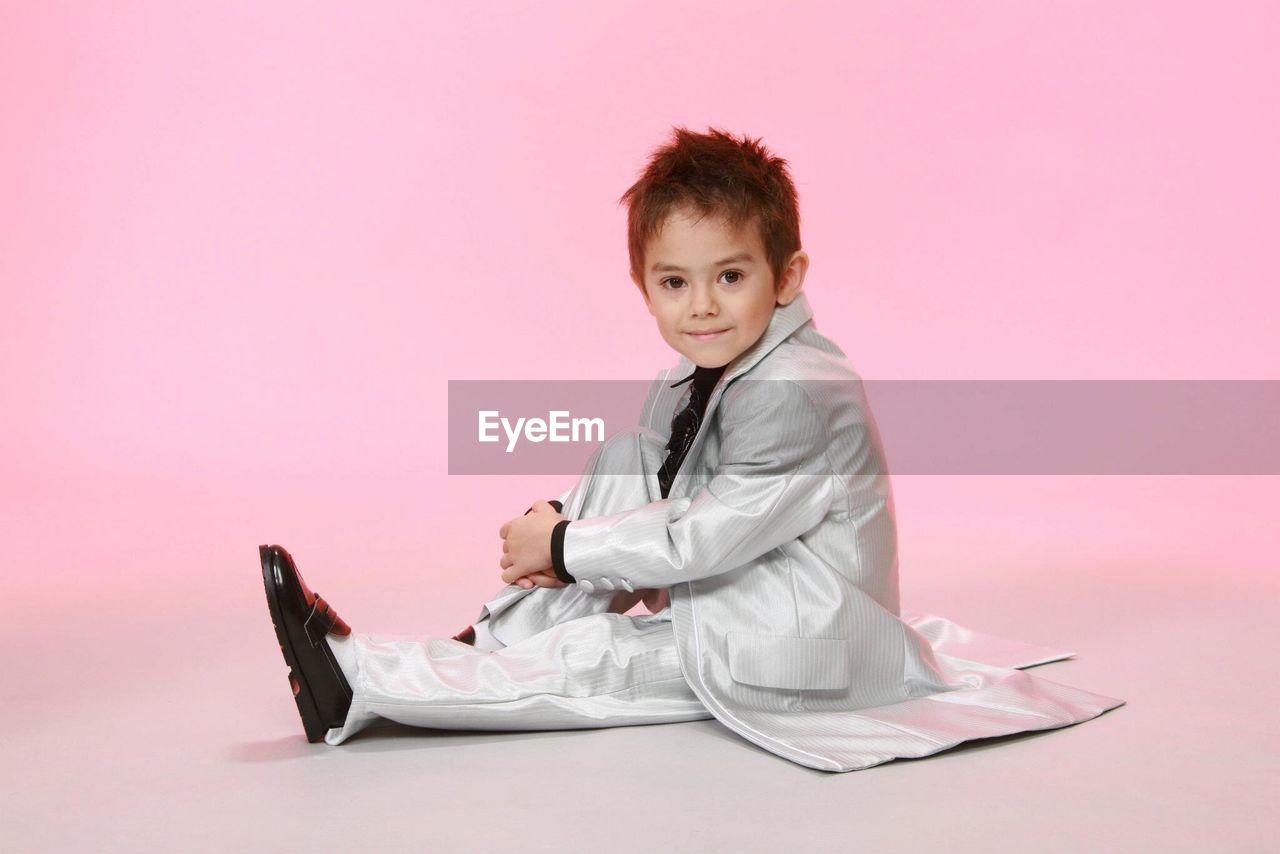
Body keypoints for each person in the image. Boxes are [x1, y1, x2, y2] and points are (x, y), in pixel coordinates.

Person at [258, 126, 1124, 772]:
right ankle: (487, 650)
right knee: (627, 456)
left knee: (606, 661)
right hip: (748, 590)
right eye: (676, 282)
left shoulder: (800, 391)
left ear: (786, 277)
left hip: (799, 644)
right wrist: (573, 535)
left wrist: (565, 546)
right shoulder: (694, 376)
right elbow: (659, 500)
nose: (702, 306)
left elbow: (704, 539)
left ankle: (360, 681)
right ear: (645, 287)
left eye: (731, 276)